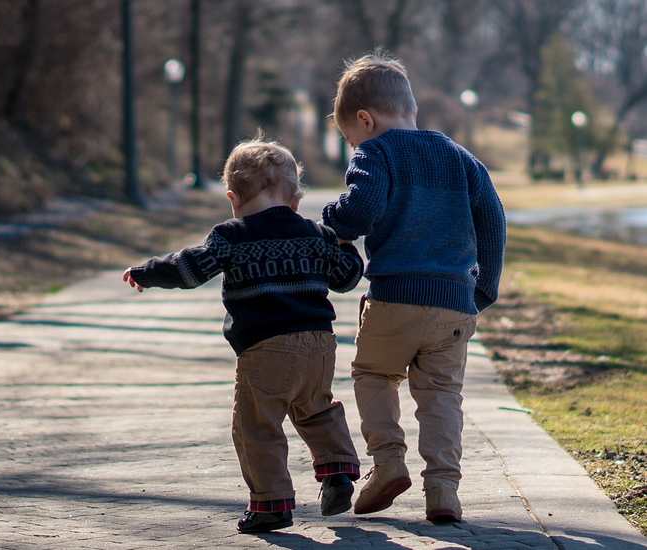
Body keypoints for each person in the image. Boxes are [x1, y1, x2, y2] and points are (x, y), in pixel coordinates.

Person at [124, 138, 364, 534]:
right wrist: (346, 244)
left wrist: (149, 273)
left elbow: (190, 269)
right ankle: (337, 472)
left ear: (233, 198)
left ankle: (271, 504)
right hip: (319, 344)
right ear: (295, 199)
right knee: (317, 408)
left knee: (256, 425)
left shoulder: (231, 235)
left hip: (265, 347)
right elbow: (346, 277)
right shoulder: (314, 233)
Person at [322, 53, 506, 523]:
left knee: (374, 375)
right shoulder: (460, 157)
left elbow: (359, 211)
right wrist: (484, 288)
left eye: (350, 138)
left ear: (366, 119)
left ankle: (387, 464)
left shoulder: (376, 153)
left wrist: (331, 220)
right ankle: (443, 490)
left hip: (395, 297)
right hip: (454, 304)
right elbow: (493, 220)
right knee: (442, 394)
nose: (353, 145)